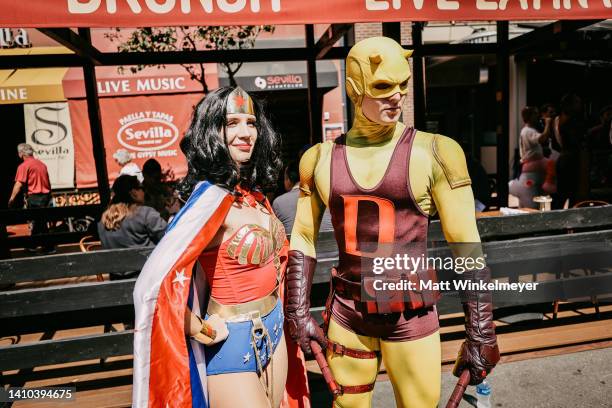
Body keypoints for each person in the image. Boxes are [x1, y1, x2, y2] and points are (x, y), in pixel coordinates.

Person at [285, 37, 499, 407]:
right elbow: (302, 236)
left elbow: (466, 243)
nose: (397, 96)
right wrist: (297, 310)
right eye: (383, 86)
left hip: (409, 310)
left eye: (402, 85)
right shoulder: (318, 159)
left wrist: (481, 330)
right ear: (354, 89)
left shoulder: (436, 152)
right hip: (347, 311)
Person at [132, 87, 308, 408]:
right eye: (232, 123)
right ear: (213, 131)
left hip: (274, 331)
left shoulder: (254, 195)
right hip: (231, 346)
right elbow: (152, 287)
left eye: (251, 122)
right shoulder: (209, 201)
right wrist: (200, 329)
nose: (246, 133)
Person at [97, 175, 167, 279]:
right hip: (147, 282)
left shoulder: (103, 219)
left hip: (116, 284)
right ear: (133, 192)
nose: (144, 191)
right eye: (141, 188)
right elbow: (168, 239)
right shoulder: (146, 213)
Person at [8, 143, 54, 253]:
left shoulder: (23, 166)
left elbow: (18, 184)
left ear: (21, 154)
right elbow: (48, 183)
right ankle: (37, 246)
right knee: (40, 222)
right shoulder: (42, 164)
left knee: (39, 223)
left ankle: (45, 247)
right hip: (46, 197)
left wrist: (11, 199)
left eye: (19, 152)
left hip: (35, 198)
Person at [273, 161, 333, 233]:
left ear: (288, 180)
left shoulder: (279, 202)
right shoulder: (329, 197)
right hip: (330, 243)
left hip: (294, 244)